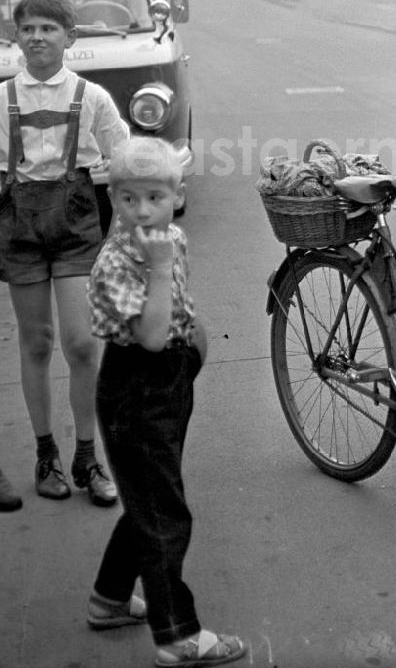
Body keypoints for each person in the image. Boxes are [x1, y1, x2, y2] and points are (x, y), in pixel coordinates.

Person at [86, 137, 246, 668]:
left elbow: (175, 310)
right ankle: (176, 632)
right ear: (113, 200)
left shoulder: (171, 236)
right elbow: (149, 337)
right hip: (135, 386)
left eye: (154, 196)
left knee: (149, 499)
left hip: (169, 377)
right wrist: (156, 269)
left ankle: (108, 599)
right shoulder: (117, 261)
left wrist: (194, 343)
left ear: (177, 197)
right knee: (164, 514)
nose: (141, 209)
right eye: (127, 198)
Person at [0, 0, 129, 507]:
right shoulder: (4, 97)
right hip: (19, 227)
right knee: (36, 343)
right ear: (17, 38)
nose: (37, 38)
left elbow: (126, 157)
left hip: (77, 223)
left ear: (69, 38)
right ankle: (45, 453)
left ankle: (87, 456)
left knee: (80, 343)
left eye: (49, 29)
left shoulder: (91, 96)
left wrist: (135, 217)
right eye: (28, 29)